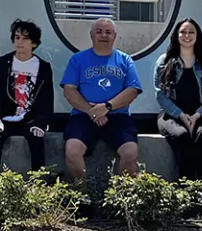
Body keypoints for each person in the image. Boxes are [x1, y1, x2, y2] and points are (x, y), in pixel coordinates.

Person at [59, 17, 142, 183]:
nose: (103, 35)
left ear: (114, 36)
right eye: (99, 31)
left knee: (130, 152)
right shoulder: (78, 59)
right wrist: (92, 111)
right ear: (91, 35)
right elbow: (69, 91)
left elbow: (132, 90)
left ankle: (120, 198)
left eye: (108, 32)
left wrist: (107, 107)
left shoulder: (125, 60)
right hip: (83, 116)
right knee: (72, 151)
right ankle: (82, 198)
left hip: (118, 116)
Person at [0, 18, 55, 175]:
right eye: (17, 38)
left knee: (37, 141)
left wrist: (41, 123)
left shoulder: (43, 68)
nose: (20, 42)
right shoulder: (0, 64)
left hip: (29, 119)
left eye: (25, 38)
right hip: (5, 119)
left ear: (34, 43)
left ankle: (38, 188)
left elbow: (46, 99)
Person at [154, 17, 202, 180]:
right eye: (183, 32)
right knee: (181, 135)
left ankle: (199, 183)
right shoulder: (164, 62)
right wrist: (181, 116)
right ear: (176, 35)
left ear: (198, 36)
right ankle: (185, 183)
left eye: (191, 32)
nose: (187, 35)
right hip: (171, 115)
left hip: (200, 114)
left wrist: (197, 115)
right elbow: (160, 95)